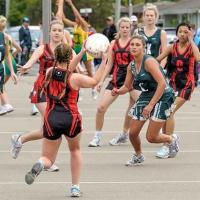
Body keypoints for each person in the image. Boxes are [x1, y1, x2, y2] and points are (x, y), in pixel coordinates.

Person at [24, 43, 107, 197]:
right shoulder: (75, 78)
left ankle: (41, 164)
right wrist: (104, 61)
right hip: (71, 119)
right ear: (70, 57)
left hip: (51, 117)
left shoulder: (49, 72)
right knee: (75, 150)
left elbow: (64, 70)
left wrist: (82, 51)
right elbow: (95, 81)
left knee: (48, 158)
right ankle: (75, 187)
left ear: (55, 57)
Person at [112, 35, 179, 165]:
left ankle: (171, 139)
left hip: (164, 95)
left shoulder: (149, 62)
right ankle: (138, 156)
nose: (134, 47)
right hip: (148, 94)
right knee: (133, 133)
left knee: (151, 137)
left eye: (137, 45)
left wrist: (150, 105)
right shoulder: (131, 66)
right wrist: (118, 91)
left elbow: (162, 84)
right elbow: (127, 86)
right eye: (132, 45)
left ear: (143, 47)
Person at [10, 19, 65, 172]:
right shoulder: (43, 48)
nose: (56, 33)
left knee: (45, 129)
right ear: (50, 32)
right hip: (42, 89)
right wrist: (25, 67)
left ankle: (22, 141)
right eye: (54, 30)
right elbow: (31, 62)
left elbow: (76, 65)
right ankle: (46, 158)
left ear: (63, 33)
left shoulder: (66, 50)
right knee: (52, 124)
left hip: (57, 91)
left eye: (59, 30)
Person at [88, 17, 140, 147]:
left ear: (130, 28)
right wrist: (101, 81)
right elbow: (109, 64)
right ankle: (97, 137)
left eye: (127, 27)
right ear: (119, 28)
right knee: (101, 108)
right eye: (122, 27)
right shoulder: (113, 43)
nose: (125, 29)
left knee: (140, 107)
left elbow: (139, 63)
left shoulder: (134, 43)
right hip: (116, 80)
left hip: (131, 80)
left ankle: (125, 134)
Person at [156, 22, 200, 158]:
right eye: (180, 31)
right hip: (173, 84)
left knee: (169, 111)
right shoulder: (171, 47)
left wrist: (192, 39)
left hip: (187, 85)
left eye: (186, 32)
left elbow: (198, 58)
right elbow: (157, 60)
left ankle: (168, 145)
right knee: (165, 111)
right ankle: (169, 140)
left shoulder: (191, 48)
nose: (182, 34)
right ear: (176, 33)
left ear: (190, 33)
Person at [62, 0, 97, 99]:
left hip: (85, 51)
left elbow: (78, 15)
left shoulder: (85, 26)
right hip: (76, 51)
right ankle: (79, 91)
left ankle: (93, 89)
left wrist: (71, 4)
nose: (76, 18)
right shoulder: (75, 25)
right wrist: (60, 5)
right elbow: (63, 19)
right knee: (77, 72)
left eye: (79, 18)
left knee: (89, 71)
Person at [136, 3, 167, 67]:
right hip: (140, 67)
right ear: (144, 17)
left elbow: (165, 55)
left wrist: (160, 69)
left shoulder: (161, 33)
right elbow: (133, 51)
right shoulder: (138, 32)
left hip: (155, 66)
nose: (149, 17)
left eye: (151, 15)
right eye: (147, 15)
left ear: (155, 17)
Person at [0, 15, 17, 115]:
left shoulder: (4, 37)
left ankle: (6, 105)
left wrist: (12, 71)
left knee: (1, 88)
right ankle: (5, 105)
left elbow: (7, 55)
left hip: (0, 68)